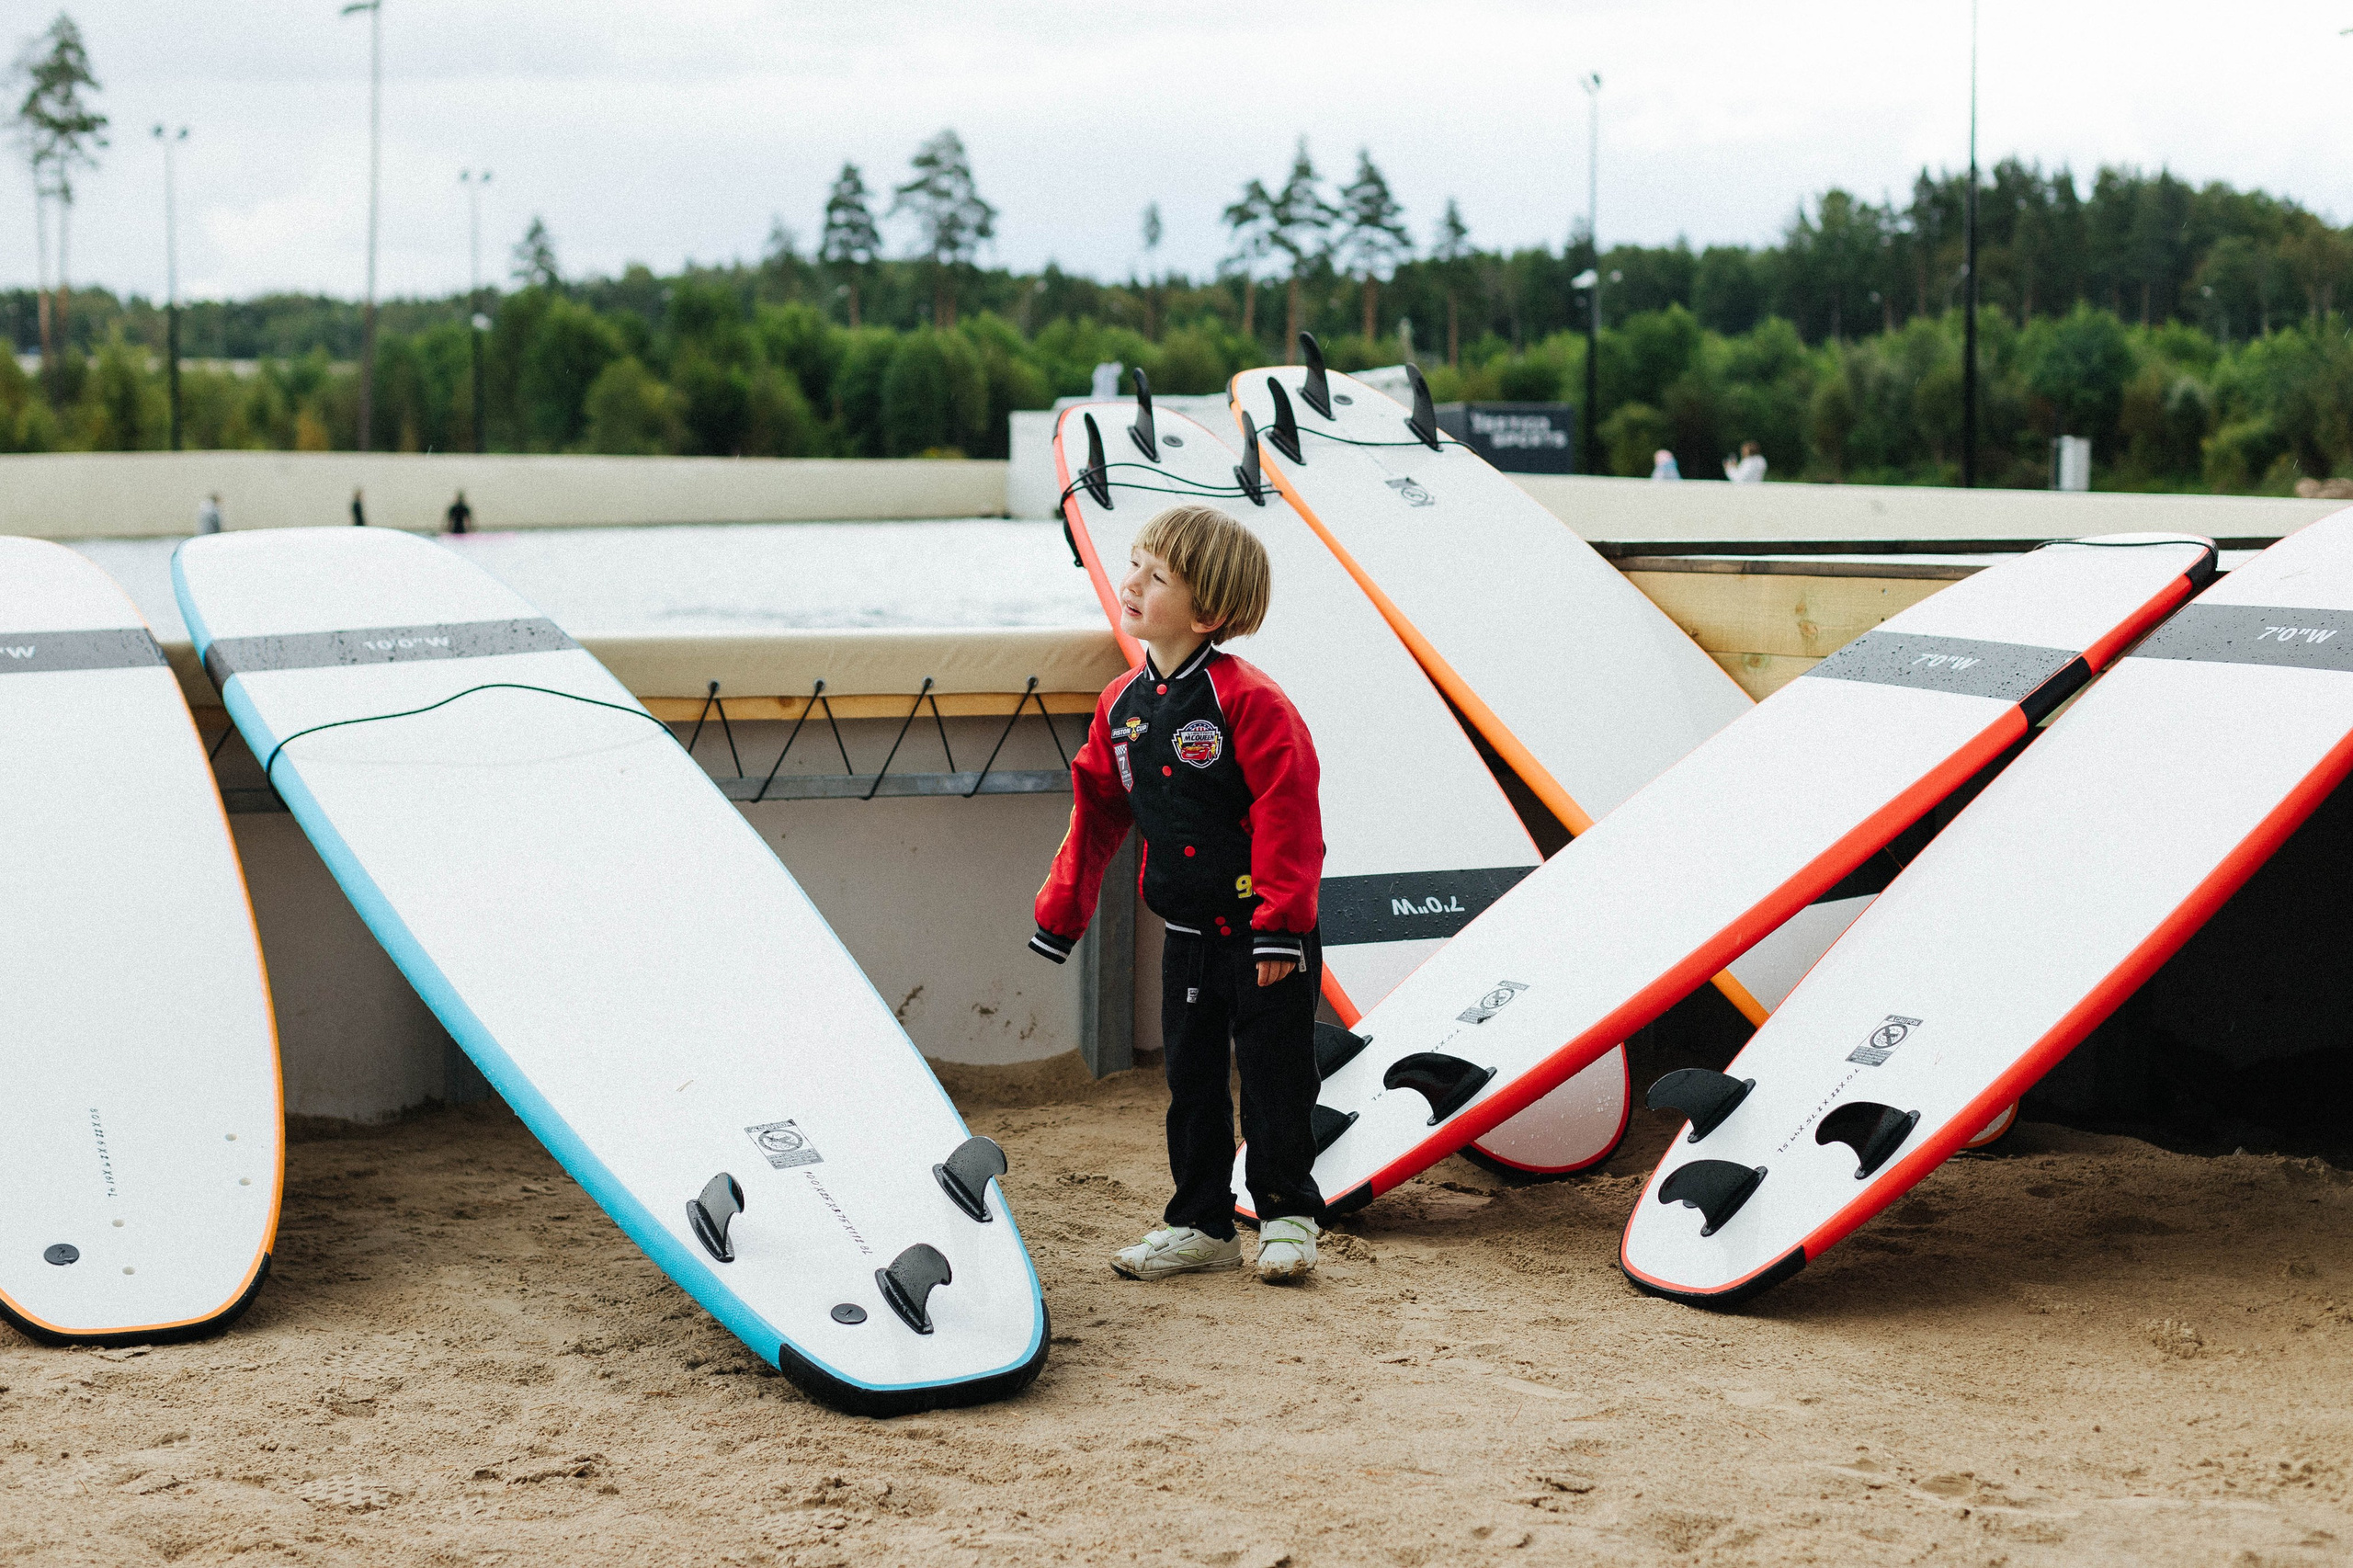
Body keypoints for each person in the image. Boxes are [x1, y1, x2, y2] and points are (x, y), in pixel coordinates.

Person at [1029, 504, 1326, 1285]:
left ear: (1210, 613)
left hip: (1267, 935)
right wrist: (1063, 912)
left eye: (1156, 576)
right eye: (1134, 563)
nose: (1130, 582)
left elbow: (1289, 812)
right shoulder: (1123, 706)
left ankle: (1288, 1215)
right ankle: (1202, 1224)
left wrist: (1280, 926)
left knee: (1273, 1076)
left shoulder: (1251, 703)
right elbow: (1096, 808)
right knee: (1190, 1080)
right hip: (1189, 931)